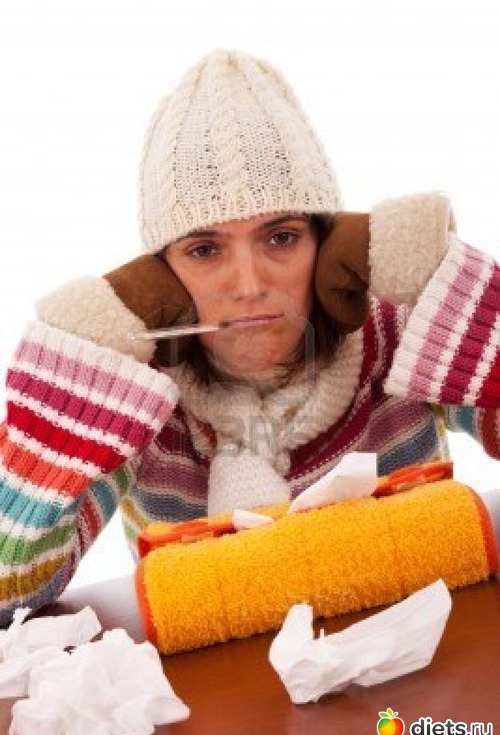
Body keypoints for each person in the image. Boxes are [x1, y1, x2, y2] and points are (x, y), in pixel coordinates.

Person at [1, 48, 499, 627]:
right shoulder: (134, 401)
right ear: (159, 272)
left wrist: (453, 287)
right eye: (204, 249)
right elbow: (12, 591)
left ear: (328, 242)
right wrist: (69, 379)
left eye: (281, 237)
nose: (249, 285)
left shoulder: (406, 331)